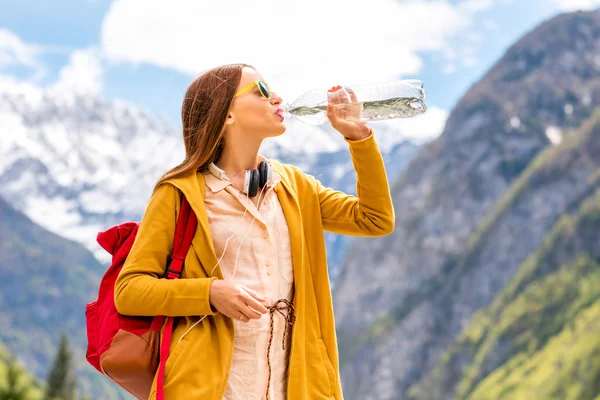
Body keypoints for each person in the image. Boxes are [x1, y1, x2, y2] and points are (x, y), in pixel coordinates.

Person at [114, 63, 395, 400]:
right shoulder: (179, 193)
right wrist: (210, 293)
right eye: (261, 91)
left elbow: (374, 219)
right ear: (227, 115)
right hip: (208, 388)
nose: (277, 97)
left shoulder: (294, 186)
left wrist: (358, 138)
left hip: (294, 386)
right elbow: (129, 290)